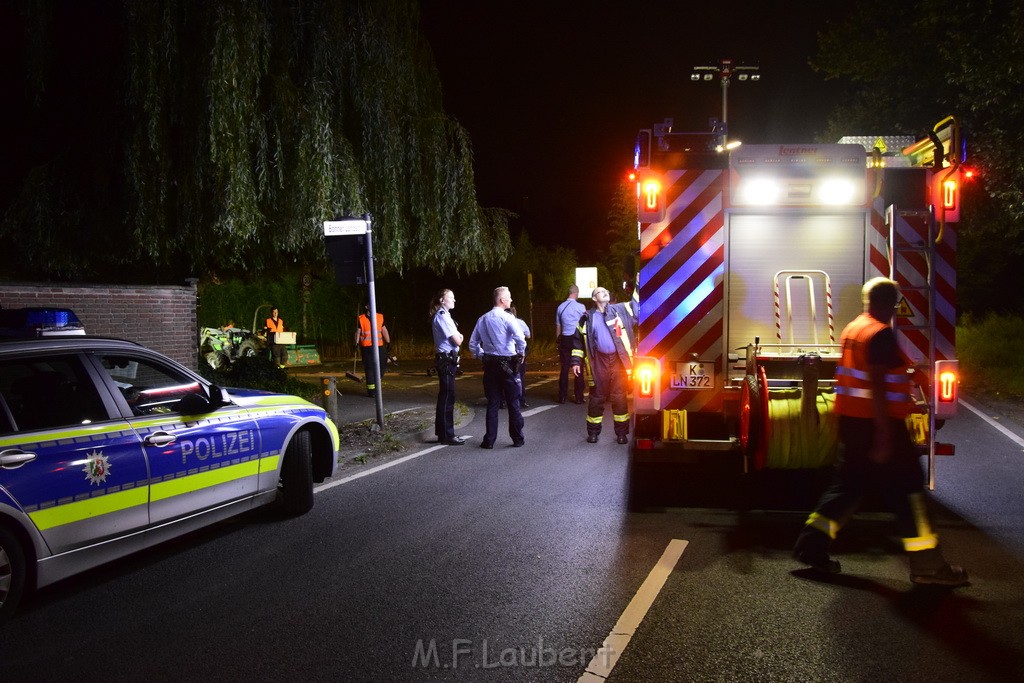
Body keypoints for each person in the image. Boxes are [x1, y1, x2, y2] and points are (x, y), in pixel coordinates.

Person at [793, 278, 968, 586]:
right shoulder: (881, 333)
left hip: (853, 422)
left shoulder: (855, 328)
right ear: (892, 305)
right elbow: (875, 383)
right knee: (910, 493)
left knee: (847, 487)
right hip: (879, 426)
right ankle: (928, 567)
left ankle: (811, 547)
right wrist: (885, 436)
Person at [571, 286, 636, 444]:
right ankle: (593, 433)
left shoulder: (619, 311)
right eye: (600, 291)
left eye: (606, 291)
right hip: (598, 361)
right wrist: (576, 361)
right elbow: (578, 342)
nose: (605, 292)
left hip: (618, 361)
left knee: (619, 398)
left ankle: (622, 434)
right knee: (596, 398)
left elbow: (636, 305)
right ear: (594, 299)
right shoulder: (586, 318)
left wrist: (638, 285)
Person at [469, 286, 527, 449]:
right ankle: (517, 439)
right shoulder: (508, 319)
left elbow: (473, 343)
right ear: (502, 300)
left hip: (490, 365)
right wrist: (520, 354)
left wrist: (481, 355)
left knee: (493, 403)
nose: (511, 300)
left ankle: (489, 441)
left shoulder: (483, 319)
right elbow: (520, 339)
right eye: (509, 297)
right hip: (507, 364)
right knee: (513, 402)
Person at [431, 289, 467, 446]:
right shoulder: (443, 317)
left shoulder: (444, 315)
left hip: (447, 360)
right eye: (451, 298)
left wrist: (459, 336)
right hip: (446, 361)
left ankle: (442, 432)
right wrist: (460, 337)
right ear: (442, 300)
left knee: (445, 396)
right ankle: (447, 435)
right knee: (448, 397)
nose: (454, 300)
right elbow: (457, 340)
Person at [556, 285, 587, 404]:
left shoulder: (560, 307)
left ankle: (562, 396)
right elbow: (584, 324)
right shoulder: (581, 307)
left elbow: (558, 326)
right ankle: (579, 397)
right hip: (577, 339)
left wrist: (558, 341)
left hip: (565, 338)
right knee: (578, 367)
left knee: (564, 368)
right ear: (576, 293)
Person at [355, 302, 391, 398]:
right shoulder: (361, 319)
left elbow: (384, 330)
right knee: (369, 369)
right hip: (367, 348)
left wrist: (388, 342)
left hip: (379, 346)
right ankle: (372, 391)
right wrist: (356, 343)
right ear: (367, 307)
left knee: (382, 366)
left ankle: (376, 382)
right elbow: (358, 332)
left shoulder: (380, 317)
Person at [507, 304, 531, 409]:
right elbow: (528, 335)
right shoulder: (521, 322)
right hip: (519, 352)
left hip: (507, 352)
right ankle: (521, 400)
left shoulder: (503, 322)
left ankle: (504, 400)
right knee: (520, 376)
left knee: (507, 376)